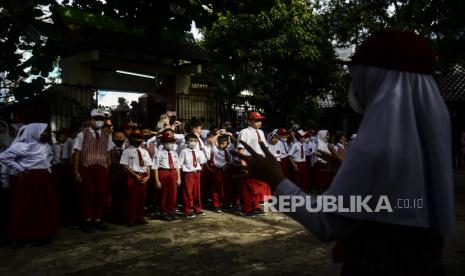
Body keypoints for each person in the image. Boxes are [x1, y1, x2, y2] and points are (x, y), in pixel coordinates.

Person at [236, 30, 453, 275]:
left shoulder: (374, 143)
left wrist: (277, 180)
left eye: (356, 75)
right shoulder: (428, 136)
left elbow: (326, 223)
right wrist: (348, 174)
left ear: (373, 78)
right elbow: (390, 201)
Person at [0, 123, 59, 244]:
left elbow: (50, 156)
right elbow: (3, 157)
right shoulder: (20, 146)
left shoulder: (45, 145)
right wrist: (20, 168)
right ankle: (27, 235)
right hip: (29, 178)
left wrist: (47, 166)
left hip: (44, 178)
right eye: (43, 131)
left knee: (43, 206)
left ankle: (43, 233)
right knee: (28, 206)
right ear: (34, 131)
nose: (45, 134)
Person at [73, 109, 113, 233]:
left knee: (101, 193)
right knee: (88, 193)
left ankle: (97, 219)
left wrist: (107, 167)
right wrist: (76, 171)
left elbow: (108, 153)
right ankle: (87, 220)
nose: (98, 121)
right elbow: (77, 152)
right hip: (87, 167)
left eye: (101, 119)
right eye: (96, 119)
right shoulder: (82, 134)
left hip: (102, 167)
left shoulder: (107, 136)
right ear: (91, 120)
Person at [237, 111, 268, 217]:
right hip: (248, 159)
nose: (260, 122)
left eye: (260, 120)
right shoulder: (244, 132)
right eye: (257, 120)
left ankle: (256, 206)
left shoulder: (261, 132)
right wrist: (243, 164)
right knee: (248, 186)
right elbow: (241, 149)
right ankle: (246, 208)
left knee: (258, 186)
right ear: (250, 121)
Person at [120, 130, 151, 227]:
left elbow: (148, 165)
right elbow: (124, 165)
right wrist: (134, 175)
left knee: (142, 199)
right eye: (135, 138)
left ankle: (140, 217)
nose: (137, 140)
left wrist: (148, 176)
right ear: (131, 139)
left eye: (139, 138)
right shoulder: (127, 151)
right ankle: (131, 219)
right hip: (132, 176)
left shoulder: (145, 152)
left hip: (143, 176)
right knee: (131, 199)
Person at [153, 131, 181, 221]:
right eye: (168, 142)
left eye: (172, 142)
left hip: (173, 173)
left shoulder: (175, 153)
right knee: (164, 193)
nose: (170, 144)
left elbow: (177, 166)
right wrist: (157, 180)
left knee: (173, 193)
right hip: (163, 173)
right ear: (163, 143)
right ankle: (163, 212)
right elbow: (155, 167)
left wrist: (179, 178)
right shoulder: (159, 153)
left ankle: (170, 210)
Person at [179, 133, 206, 218]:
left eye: (195, 141)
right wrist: (182, 174)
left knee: (197, 192)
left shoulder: (198, 151)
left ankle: (197, 208)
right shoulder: (184, 151)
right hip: (188, 173)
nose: (193, 143)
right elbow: (180, 164)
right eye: (191, 141)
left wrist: (199, 170)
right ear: (187, 142)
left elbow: (202, 161)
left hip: (197, 173)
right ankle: (188, 210)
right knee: (188, 192)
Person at [109, 130, 127, 224]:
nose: (119, 139)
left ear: (124, 138)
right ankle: (115, 216)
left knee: (124, 198)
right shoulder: (110, 149)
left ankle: (123, 216)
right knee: (115, 198)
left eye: (121, 137)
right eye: (116, 137)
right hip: (114, 177)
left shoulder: (127, 149)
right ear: (112, 138)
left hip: (125, 177)